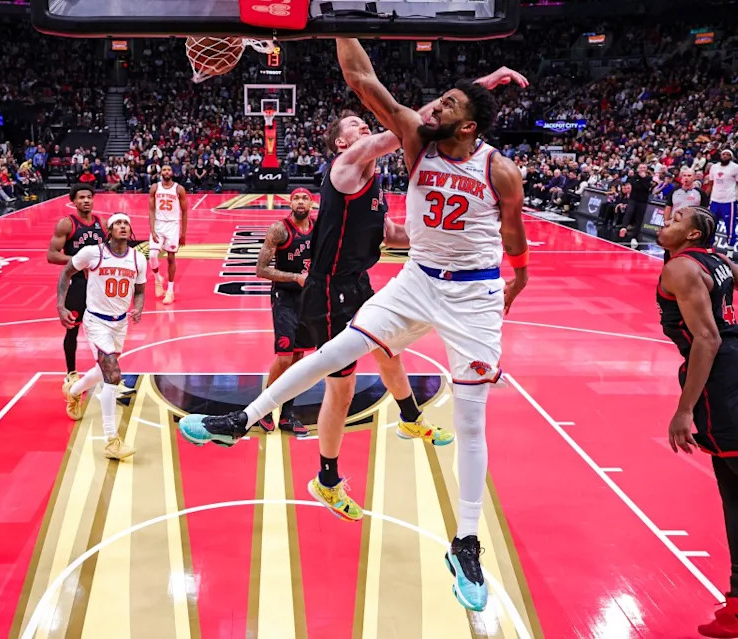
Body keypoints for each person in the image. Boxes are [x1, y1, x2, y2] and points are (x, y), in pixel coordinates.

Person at [179, 43, 527, 613]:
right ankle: (243, 421)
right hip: (386, 281)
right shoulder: (394, 145)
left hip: (468, 292)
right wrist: (336, 19)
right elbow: (364, 79)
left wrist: (520, 280)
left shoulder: (494, 167)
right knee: (336, 359)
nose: (429, 109)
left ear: (465, 123)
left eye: (445, 104)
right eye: (434, 101)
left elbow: (506, 241)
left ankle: (464, 540)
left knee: (468, 416)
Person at [656, 206, 738, 639]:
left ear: (692, 233)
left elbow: (708, 338)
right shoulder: (714, 260)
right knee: (734, 492)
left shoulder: (682, 268)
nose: (667, 217)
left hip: (720, 377)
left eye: (678, 216)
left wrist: (684, 410)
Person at [58, 214, 146, 461]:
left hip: (120, 323)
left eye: (126, 223)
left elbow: (139, 290)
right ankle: (111, 440)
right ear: (109, 230)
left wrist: (138, 307)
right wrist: (60, 305)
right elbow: (66, 273)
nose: (123, 226)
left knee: (103, 368)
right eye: (118, 223)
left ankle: (74, 391)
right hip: (96, 321)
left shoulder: (138, 258)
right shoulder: (92, 253)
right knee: (113, 376)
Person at [48, 184, 134, 398]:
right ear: (74, 201)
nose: (86, 201)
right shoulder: (66, 224)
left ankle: (110, 377)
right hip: (77, 284)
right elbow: (52, 255)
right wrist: (82, 262)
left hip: (100, 286)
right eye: (81, 198)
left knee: (107, 330)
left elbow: (112, 249)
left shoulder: (102, 224)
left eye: (89, 197)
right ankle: (71, 373)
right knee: (72, 330)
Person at [254, 188, 316, 435]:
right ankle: (265, 407)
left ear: (311, 203)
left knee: (299, 358)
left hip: (308, 298)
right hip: (285, 297)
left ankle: (287, 414)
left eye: (305, 198)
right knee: (284, 356)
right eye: (296, 198)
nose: (300, 202)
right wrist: (294, 277)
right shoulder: (279, 229)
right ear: (290, 203)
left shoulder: (318, 228)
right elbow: (261, 269)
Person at [148, 165, 188, 304]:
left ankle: (170, 291)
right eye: (164, 170)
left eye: (168, 170)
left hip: (173, 225)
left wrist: (183, 233)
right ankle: (157, 278)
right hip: (158, 224)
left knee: (171, 258)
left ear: (172, 173)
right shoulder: (155, 188)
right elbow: (151, 210)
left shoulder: (179, 189)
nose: (166, 172)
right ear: (161, 172)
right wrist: (152, 229)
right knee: (152, 255)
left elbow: (184, 212)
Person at [708, 149, 738, 258]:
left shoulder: (736, 168)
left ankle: (730, 251)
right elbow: (711, 184)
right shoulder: (714, 167)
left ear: (731, 157)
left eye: (727, 154)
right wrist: (706, 200)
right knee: (711, 225)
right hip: (714, 201)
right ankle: (709, 248)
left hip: (728, 201)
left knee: (730, 227)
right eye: (723, 154)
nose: (725, 156)